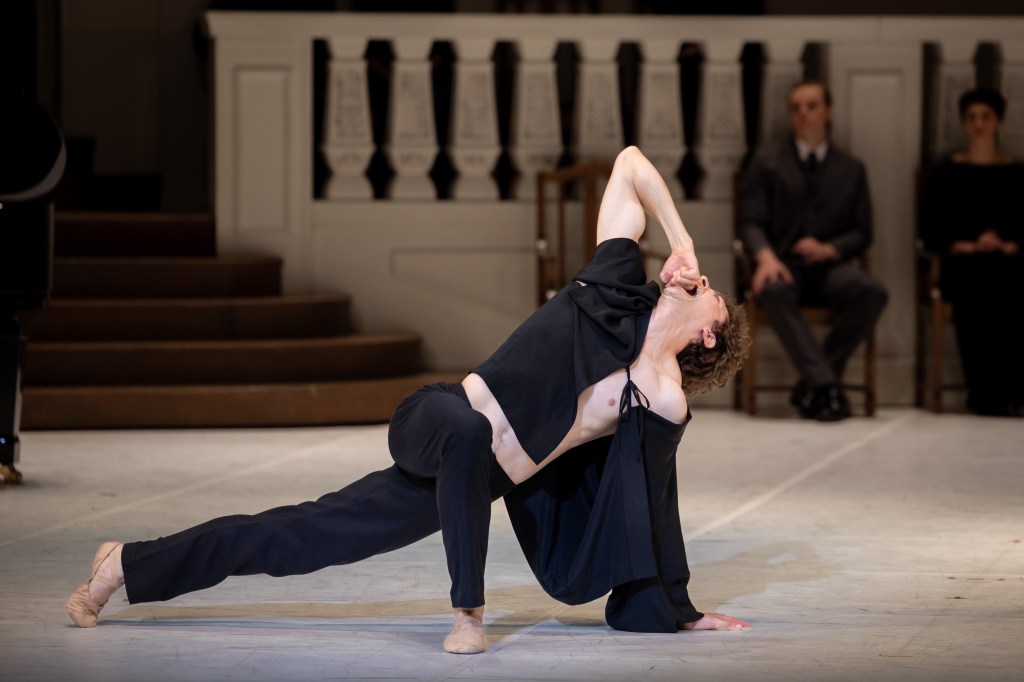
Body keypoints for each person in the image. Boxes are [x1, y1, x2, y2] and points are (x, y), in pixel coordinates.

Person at [65, 146, 752, 654]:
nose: (700, 280)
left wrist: (679, 607)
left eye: (712, 291)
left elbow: (656, 501)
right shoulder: (614, 284)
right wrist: (682, 239)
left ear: (709, 333)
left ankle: (124, 564)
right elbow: (630, 165)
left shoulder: (660, 395)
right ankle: (468, 614)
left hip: (472, 481)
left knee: (301, 535)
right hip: (436, 417)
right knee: (467, 431)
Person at [738, 80, 888, 421]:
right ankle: (826, 387)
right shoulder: (767, 162)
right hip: (784, 265)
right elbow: (750, 221)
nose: (804, 113)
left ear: (828, 111)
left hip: (830, 269)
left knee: (872, 292)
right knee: (771, 289)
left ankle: (816, 384)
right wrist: (766, 257)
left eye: (812, 106)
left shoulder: (851, 168)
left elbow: (863, 233)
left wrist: (830, 248)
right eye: (796, 108)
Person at [921, 87, 1024, 416]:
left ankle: (1010, 388)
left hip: (1007, 262)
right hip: (963, 263)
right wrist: (971, 244)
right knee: (978, 286)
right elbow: (932, 230)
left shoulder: (1016, 173)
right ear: (964, 122)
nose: (978, 124)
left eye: (985, 117)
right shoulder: (947, 173)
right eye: (972, 117)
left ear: (998, 121)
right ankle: (983, 390)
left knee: (1008, 286)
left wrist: (1008, 244)